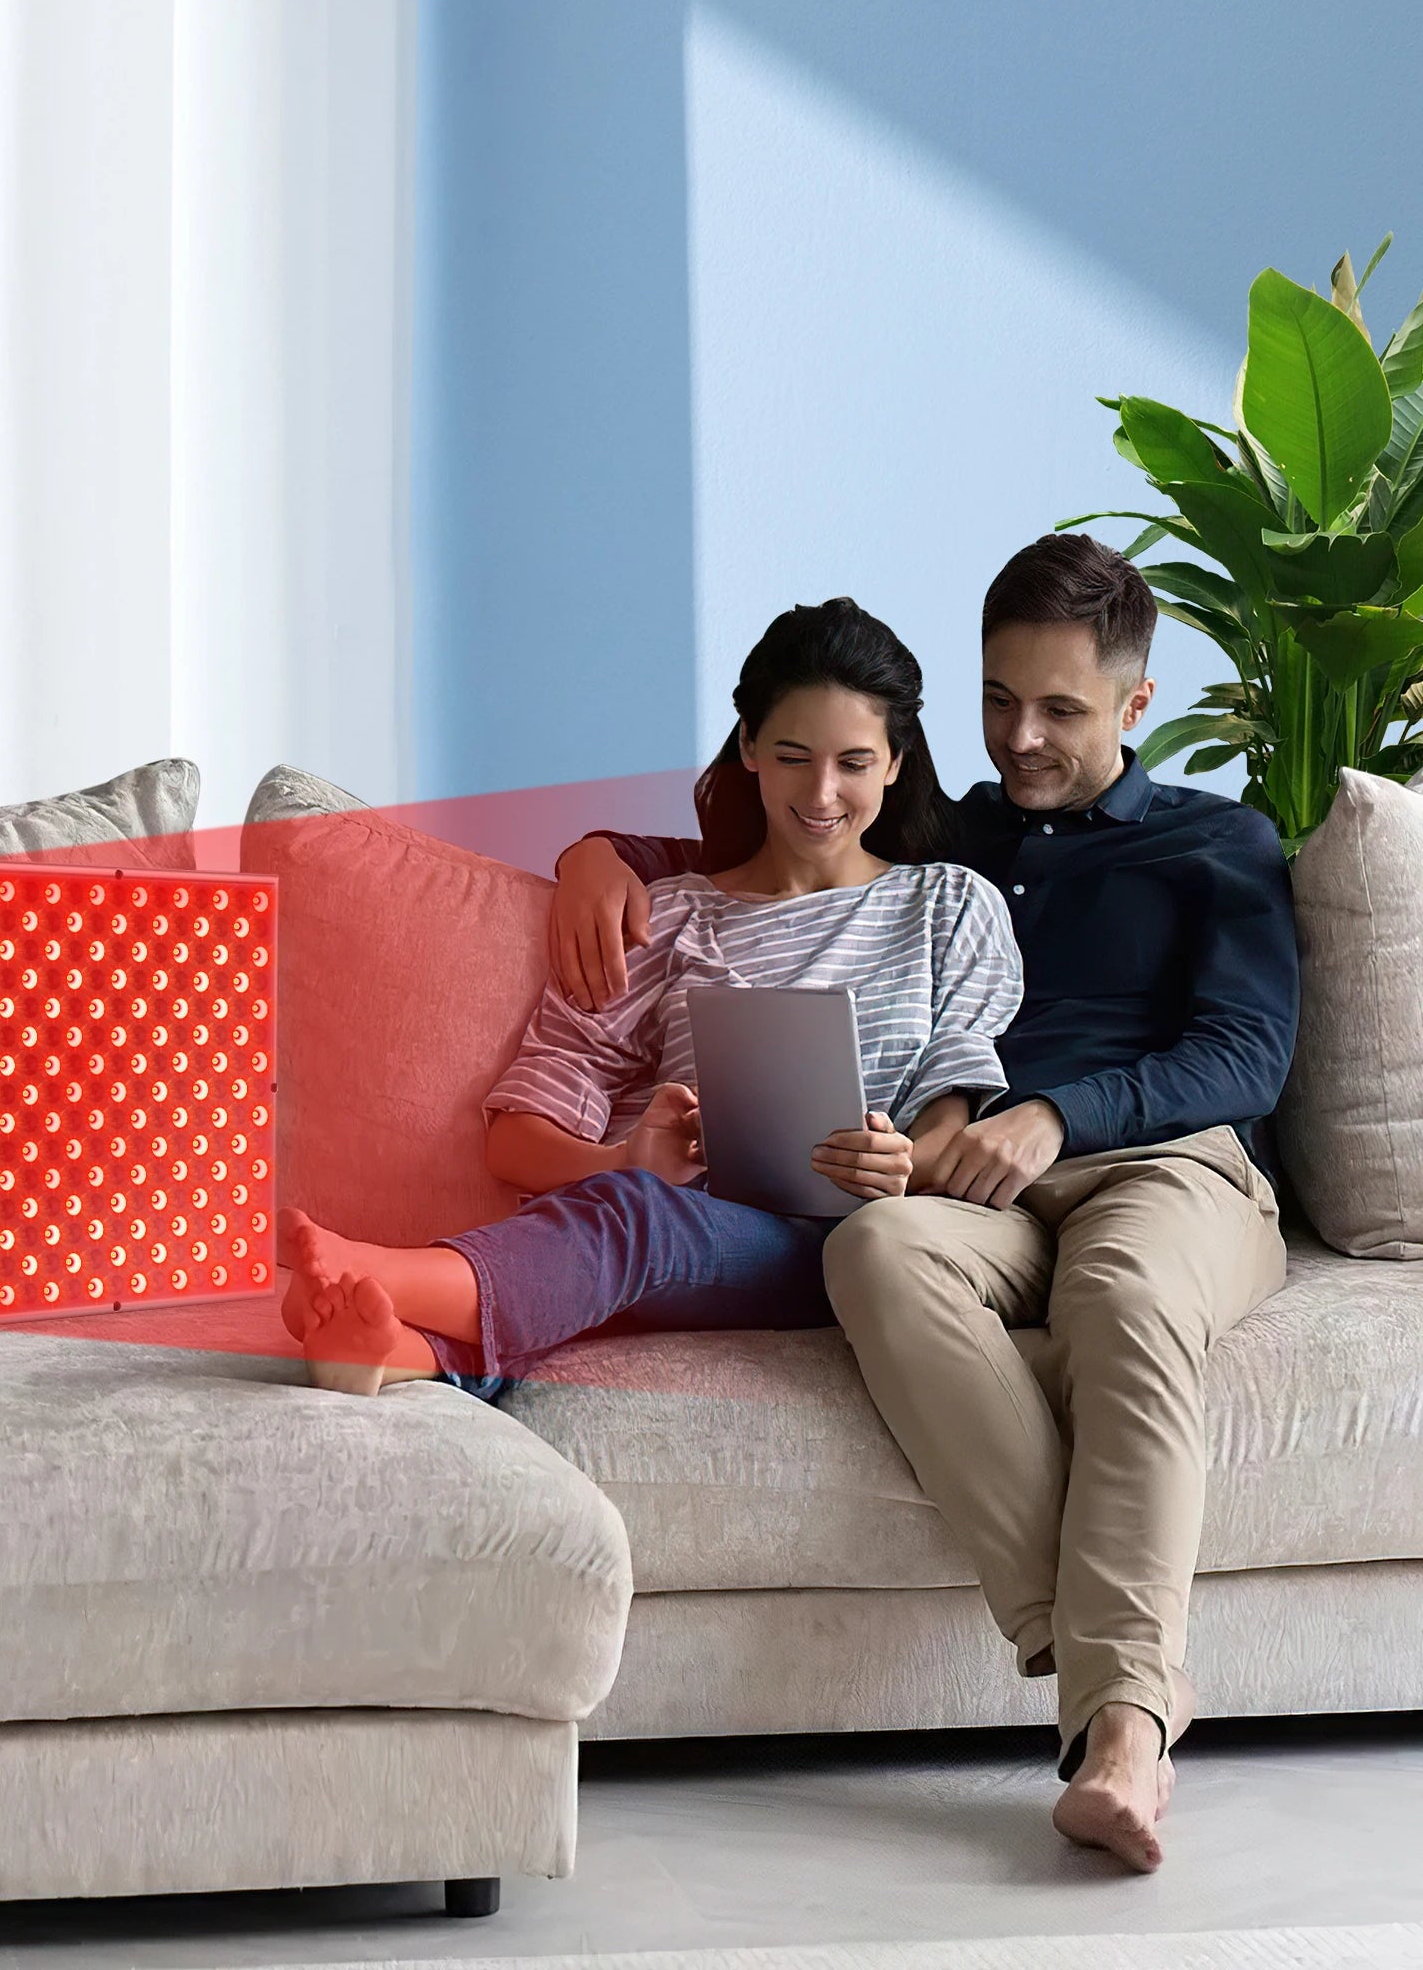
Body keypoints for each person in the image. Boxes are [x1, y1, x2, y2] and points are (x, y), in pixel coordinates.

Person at [549, 535, 1298, 1876]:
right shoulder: (958, 833)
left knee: (1120, 1299)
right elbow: (789, 825)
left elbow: (1247, 1054)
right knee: (876, 1250)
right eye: (998, 700)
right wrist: (593, 852)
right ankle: (1107, 1663)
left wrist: (1056, 1114)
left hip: (1164, 1165)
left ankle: (1123, 1727)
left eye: (1060, 709)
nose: (1021, 738)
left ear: (1135, 702)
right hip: (972, 1190)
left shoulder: (1215, 842)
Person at [277, 596, 1022, 1427]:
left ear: (895, 762)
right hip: (691, 1228)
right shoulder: (668, 917)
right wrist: (623, 1158)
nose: (823, 792)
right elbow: (514, 1138)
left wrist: (906, 1163)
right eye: (793, 755)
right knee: (626, 1214)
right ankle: (397, 1350)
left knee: (637, 1221)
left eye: (854, 762)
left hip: (854, 1248)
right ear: (750, 748)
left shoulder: (950, 907)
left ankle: (376, 1272)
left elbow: (957, 1108)